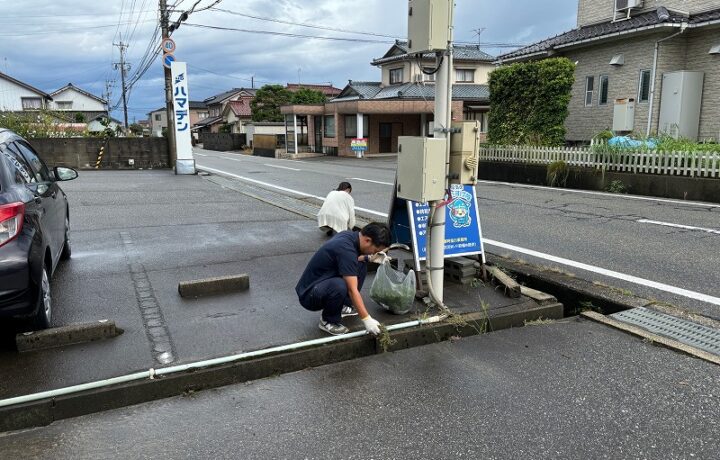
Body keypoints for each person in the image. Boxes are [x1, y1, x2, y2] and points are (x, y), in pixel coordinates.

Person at [296, 222, 391, 336]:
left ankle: (344, 306)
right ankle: (328, 321)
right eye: (375, 250)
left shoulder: (350, 236)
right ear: (367, 240)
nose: (374, 253)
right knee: (340, 285)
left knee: (361, 264)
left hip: (322, 283)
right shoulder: (346, 250)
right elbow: (352, 290)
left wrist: (369, 258)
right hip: (309, 294)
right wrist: (366, 319)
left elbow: (354, 258)